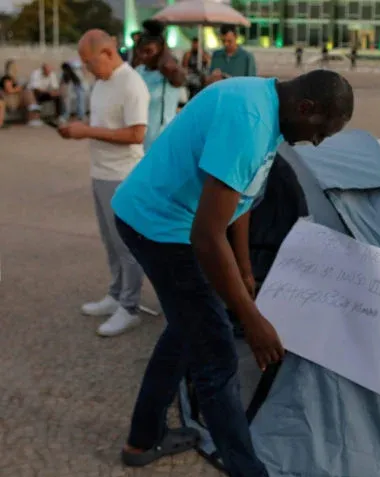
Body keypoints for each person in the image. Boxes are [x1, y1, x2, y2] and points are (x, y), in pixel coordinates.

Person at [109, 69, 354, 475]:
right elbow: (206, 235)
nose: (316, 142)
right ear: (305, 108)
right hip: (158, 227)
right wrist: (251, 317)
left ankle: (143, 438)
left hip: (174, 222)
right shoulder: (250, 123)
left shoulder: (271, 106)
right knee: (217, 355)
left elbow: (239, 199)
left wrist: (242, 269)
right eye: (320, 132)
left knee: (186, 331)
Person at [57, 29, 151, 337]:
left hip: (122, 175)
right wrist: (77, 130)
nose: (86, 68)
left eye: (89, 61)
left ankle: (130, 306)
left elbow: (137, 134)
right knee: (110, 243)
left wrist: (87, 132)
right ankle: (115, 295)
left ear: (108, 53)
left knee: (127, 245)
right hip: (100, 173)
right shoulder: (101, 82)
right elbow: (102, 127)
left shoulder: (132, 84)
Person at [134, 19, 187, 151]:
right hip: (140, 142)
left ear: (161, 51)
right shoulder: (138, 72)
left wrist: (168, 63)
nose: (144, 56)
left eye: (149, 51)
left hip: (163, 142)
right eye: (140, 51)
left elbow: (180, 78)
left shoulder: (171, 73)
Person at [0, 60, 35, 128]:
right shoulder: (6, 79)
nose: (15, 69)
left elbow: (19, 88)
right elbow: (9, 90)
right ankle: (33, 112)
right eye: (13, 68)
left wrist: (21, 88)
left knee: (28, 93)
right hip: (9, 101)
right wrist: (19, 89)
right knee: (27, 93)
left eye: (15, 67)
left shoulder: (16, 80)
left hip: (17, 100)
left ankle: (33, 116)